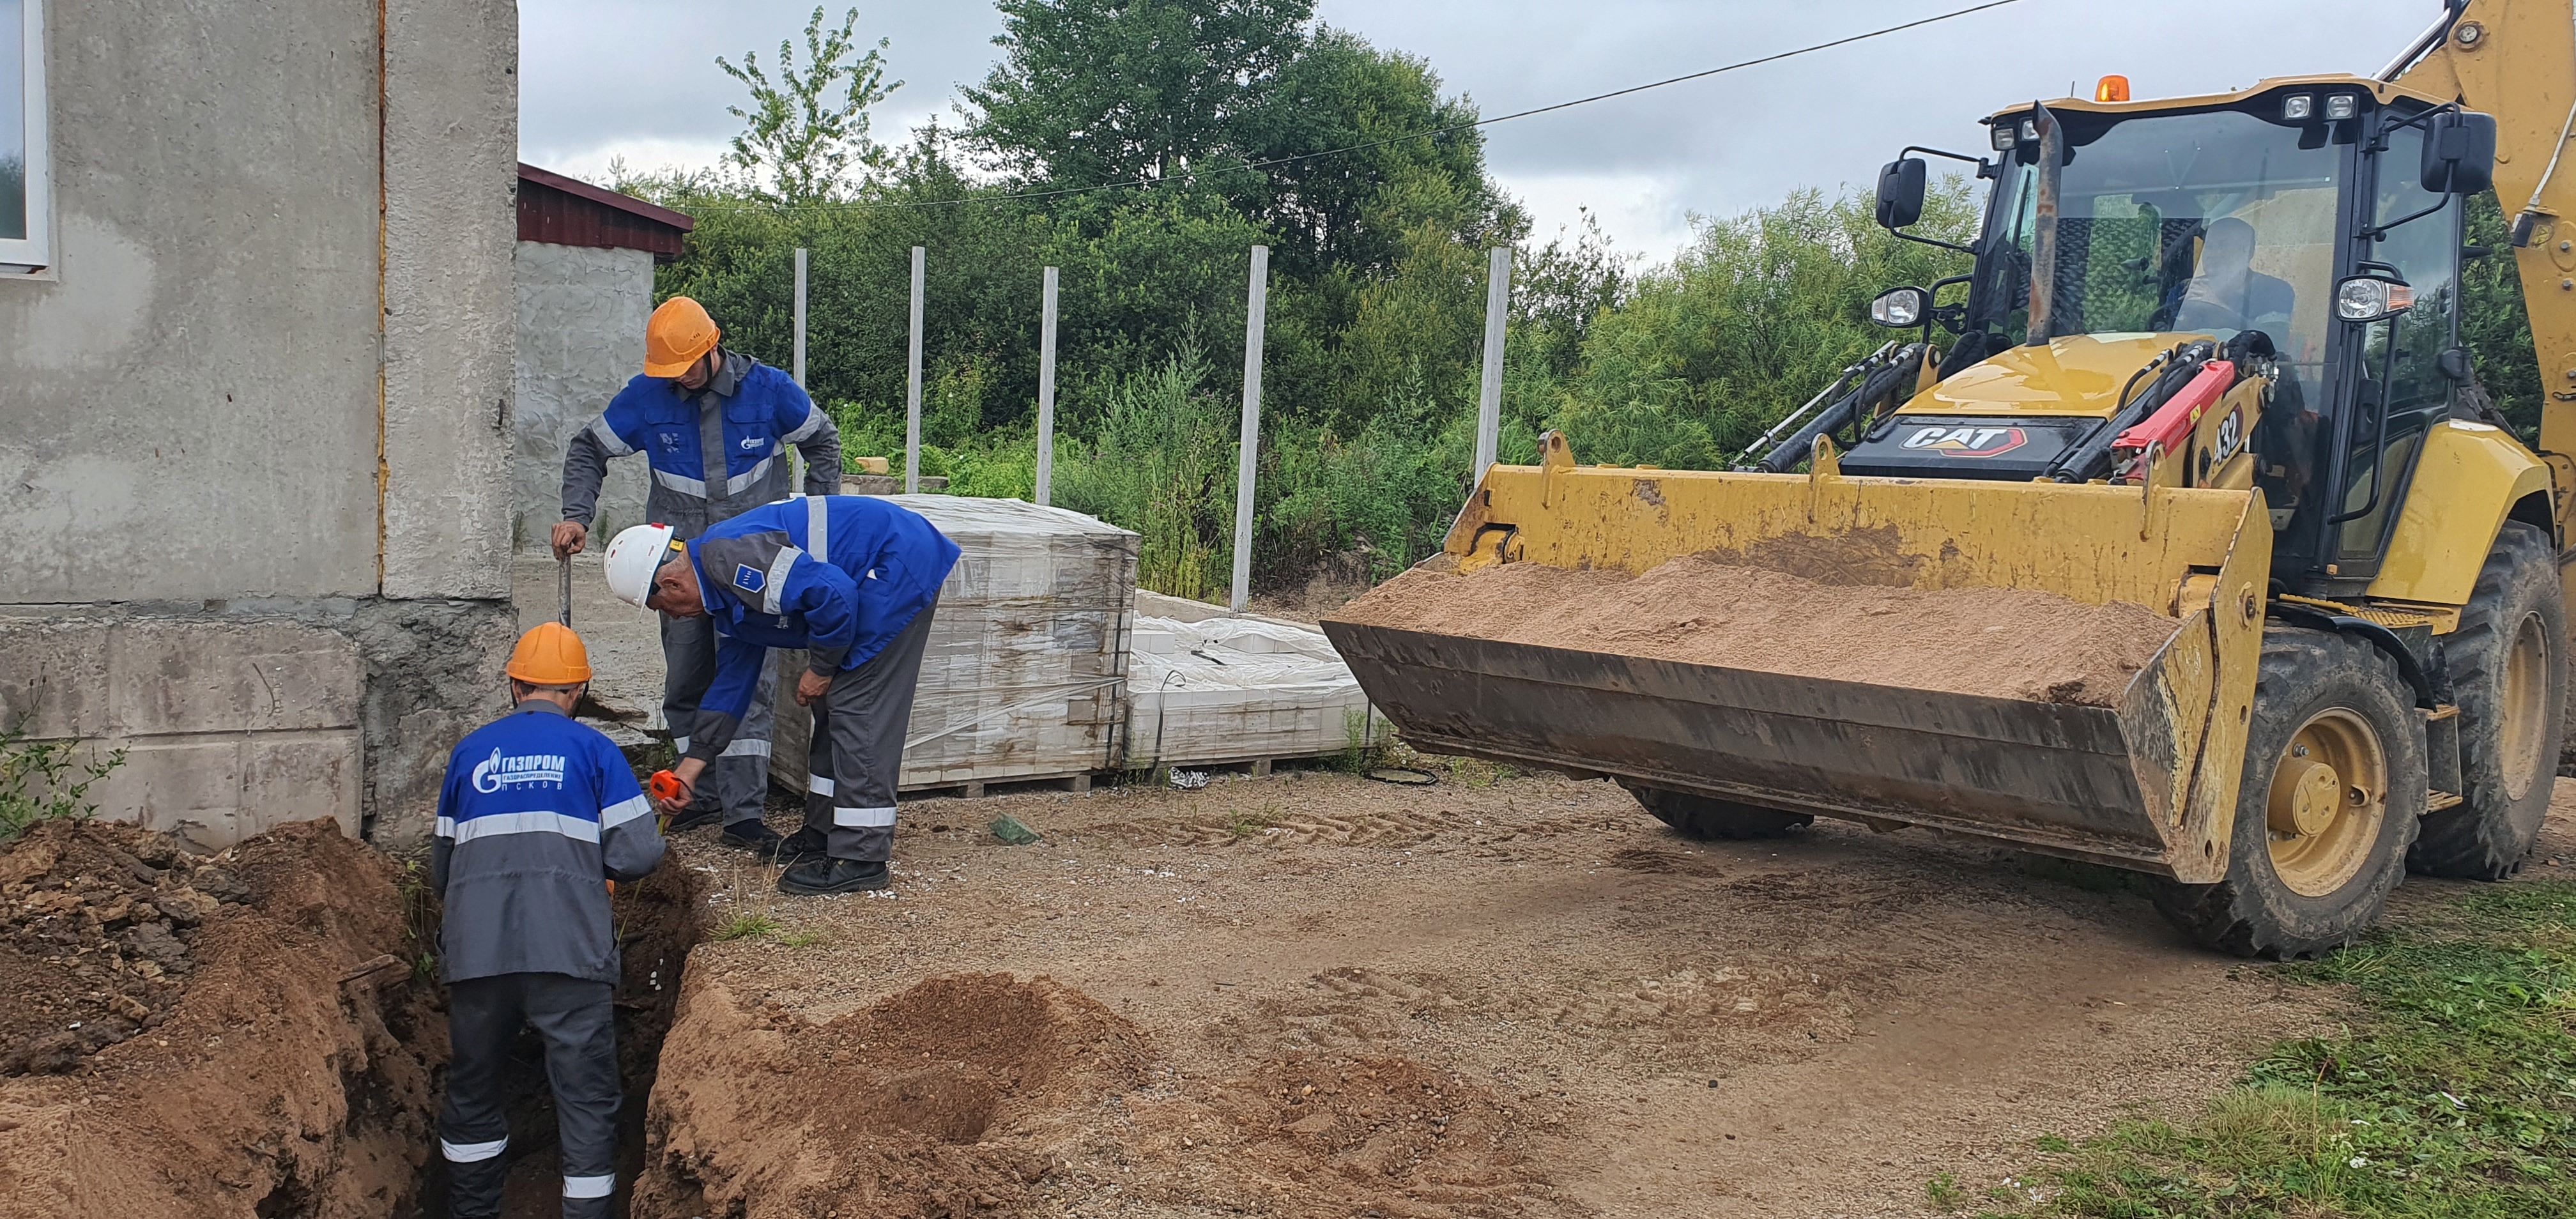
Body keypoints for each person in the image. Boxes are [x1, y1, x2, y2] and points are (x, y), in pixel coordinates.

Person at [553, 296, 841, 859]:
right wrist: (575, 513)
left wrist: (820, 520)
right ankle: (697, 792)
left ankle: (744, 815)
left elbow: (822, 441)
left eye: (684, 367)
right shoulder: (648, 395)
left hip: (753, 567)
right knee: (686, 680)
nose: (678, 380)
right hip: (678, 569)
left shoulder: (770, 390)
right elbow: (589, 448)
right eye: (668, 372)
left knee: (751, 689)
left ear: (711, 348)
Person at [602, 494, 959, 895]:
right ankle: (824, 831)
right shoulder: (721, 593)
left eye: (660, 606)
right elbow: (733, 683)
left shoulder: (729, 560)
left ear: (671, 582)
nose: (669, 616)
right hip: (878, 565)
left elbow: (834, 593)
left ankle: (862, 856)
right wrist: (692, 765)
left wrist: (822, 668)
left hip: (895, 563)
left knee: (858, 707)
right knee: (831, 708)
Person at [430, 623, 665, 1218]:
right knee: (586, 1100)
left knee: (474, 1092)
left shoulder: (469, 753)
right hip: (569, 953)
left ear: (514, 685)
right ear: (579, 691)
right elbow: (638, 855)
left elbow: (443, 871)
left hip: (478, 955)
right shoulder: (594, 752)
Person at [2173, 217, 2298, 339]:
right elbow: (2162, 332)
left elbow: (2275, 340)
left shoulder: (2274, 291)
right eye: (2209, 247)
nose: (2214, 254)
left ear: (2248, 251)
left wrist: (2216, 309)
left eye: (2224, 246)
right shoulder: (2187, 289)